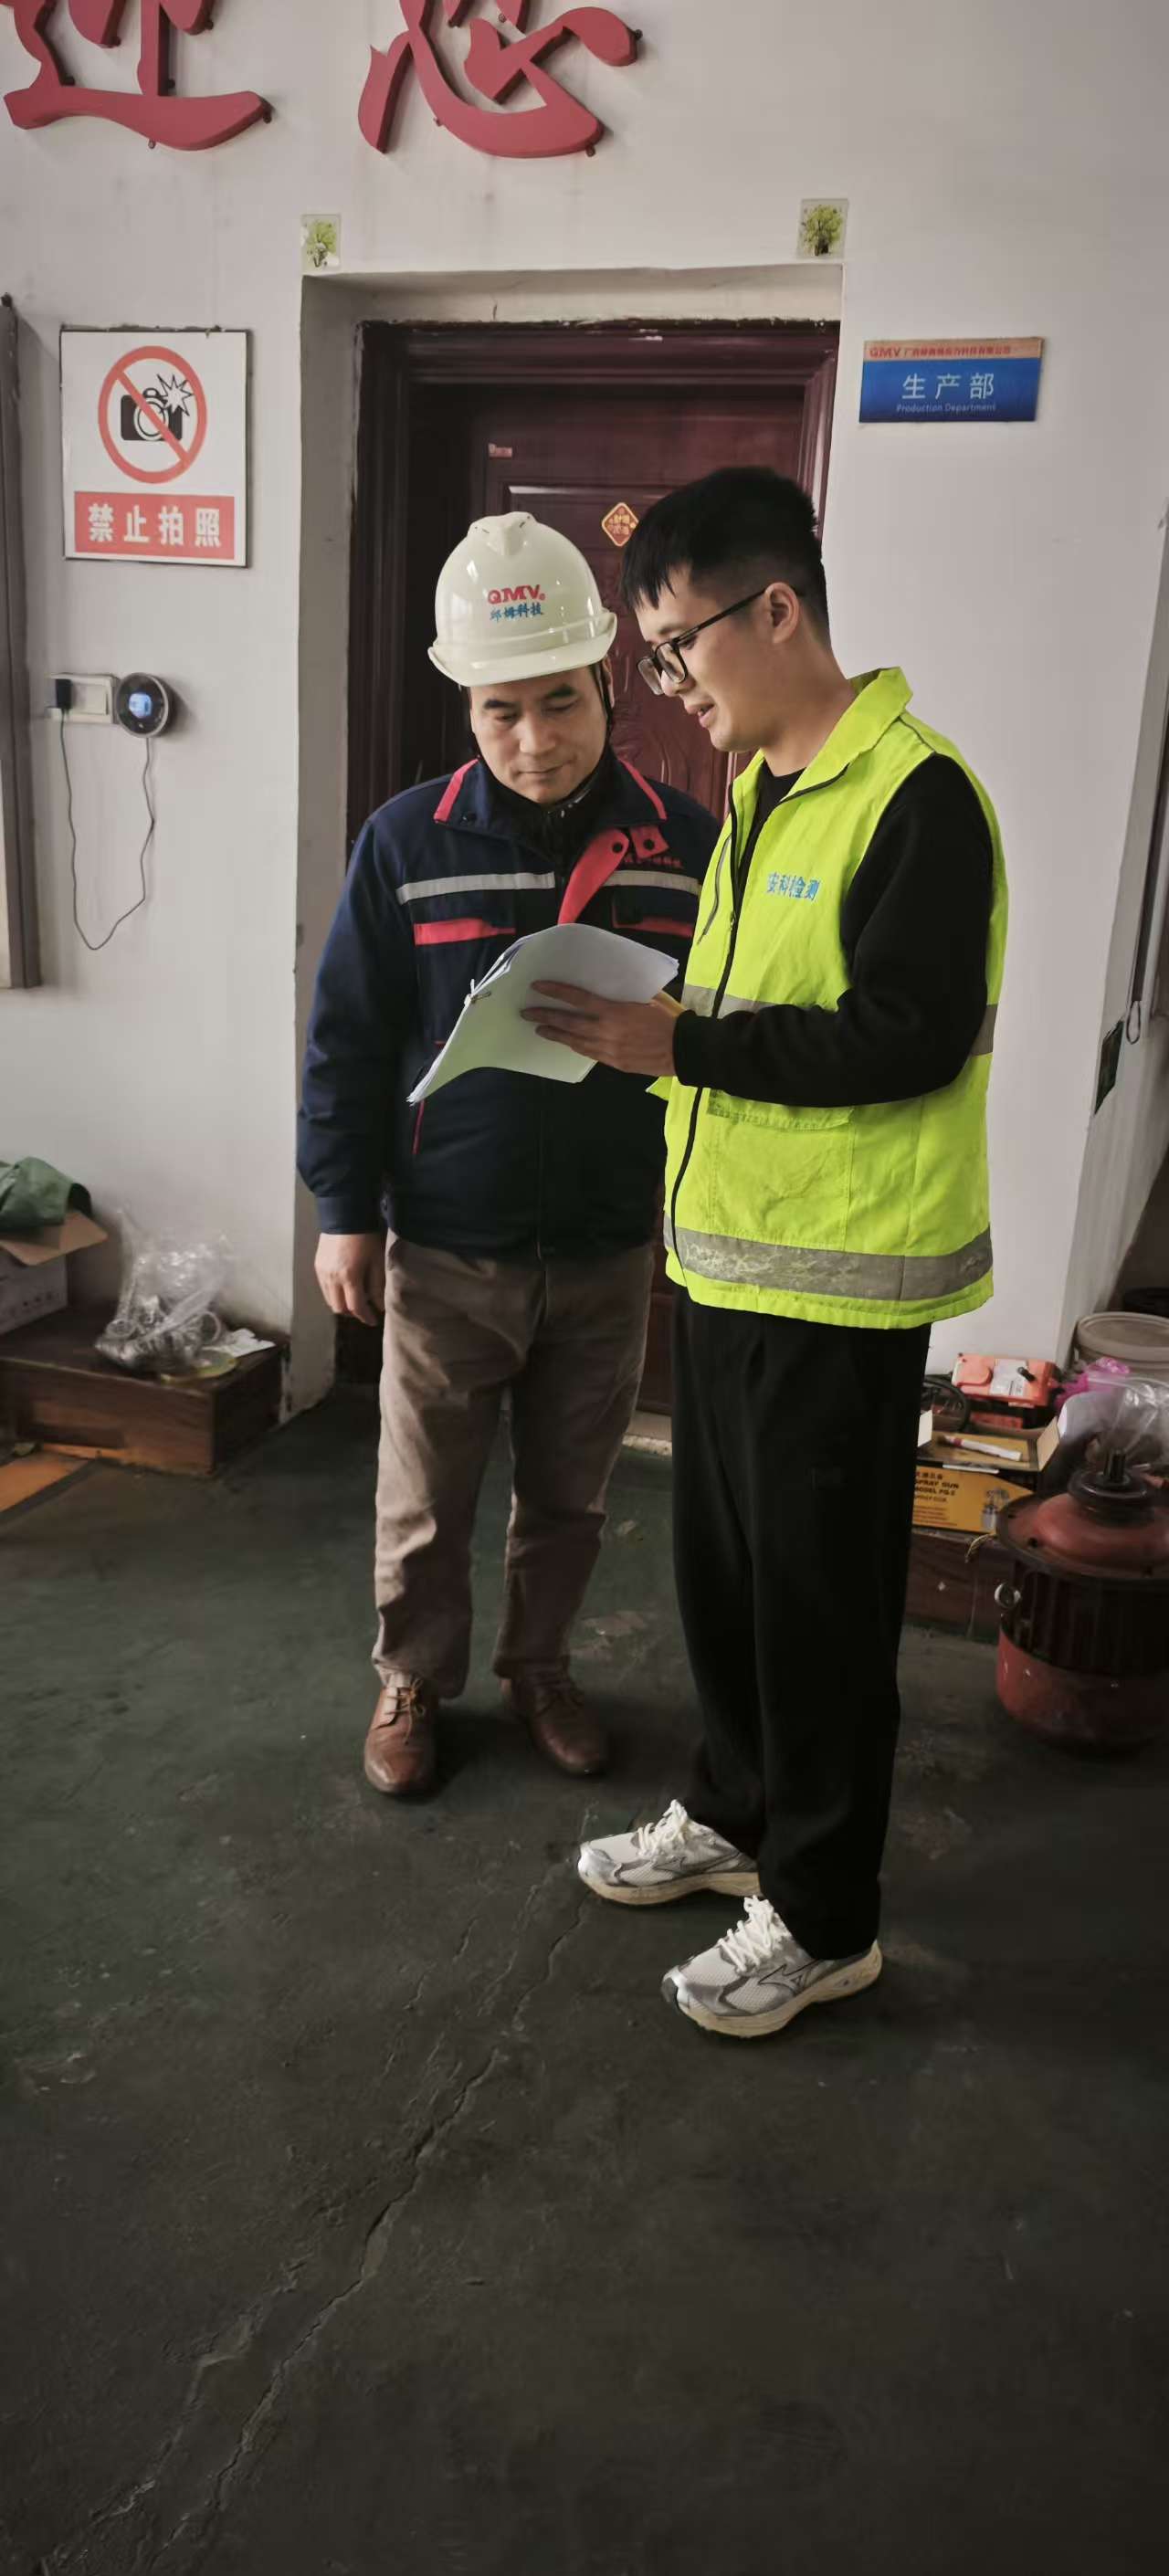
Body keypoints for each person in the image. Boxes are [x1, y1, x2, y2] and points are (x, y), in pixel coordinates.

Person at [527, 467, 1008, 2040]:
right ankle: (737, 1815)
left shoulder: (918, 798)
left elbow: (906, 1035)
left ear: (778, 608)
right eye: (657, 655)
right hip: (732, 1263)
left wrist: (680, 1045)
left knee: (821, 1614)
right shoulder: (761, 791)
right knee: (727, 1583)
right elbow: (751, 1014)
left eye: (679, 645)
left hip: (841, 1287)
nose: (670, 682)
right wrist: (667, 1028)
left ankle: (823, 1917)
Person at [299, 512, 713, 1799]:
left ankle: (542, 1669)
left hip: (607, 1239)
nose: (535, 740)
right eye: (501, 712)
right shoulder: (405, 843)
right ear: (467, 709)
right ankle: (413, 1679)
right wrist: (343, 1211)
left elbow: (728, 1032)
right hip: (447, 1242)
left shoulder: (687, 846)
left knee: (572, 1495)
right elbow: (347, 1039)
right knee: (426, 1498)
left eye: (559, 702)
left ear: (607, 683)